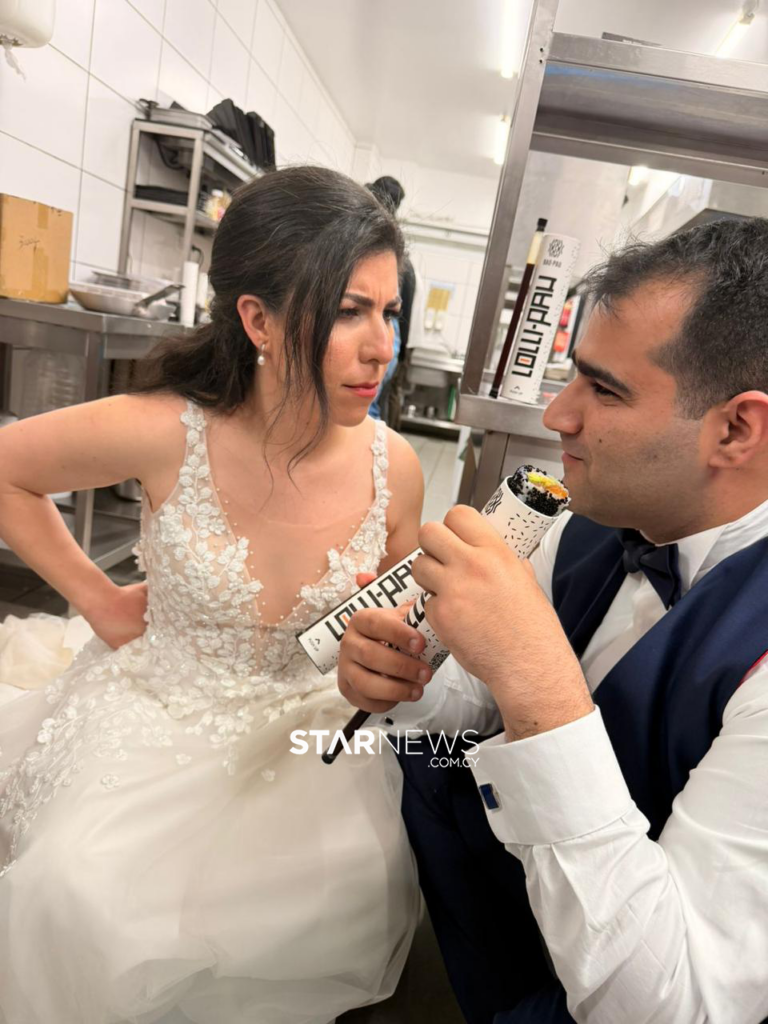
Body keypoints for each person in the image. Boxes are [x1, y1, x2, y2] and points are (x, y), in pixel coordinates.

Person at [0, 166, 424, 1024]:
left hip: (307, 745)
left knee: (350, 885)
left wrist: (390, 655)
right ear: (258, 320)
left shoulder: (396, 467)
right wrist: (97, 599)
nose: (382, 346)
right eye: (349, 312)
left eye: (389, 312)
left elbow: (400, 612)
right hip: (157, 718)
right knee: (78, 890)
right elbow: (8, 470)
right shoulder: (167, 429)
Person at [338, 217, 768, 1024]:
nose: (558, 416)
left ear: (737, 429)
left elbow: (675, 1003)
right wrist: (409, 677)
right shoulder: (582, 520)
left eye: (604, 390)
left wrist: (539, 680)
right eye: (573, 377)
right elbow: (475, 700)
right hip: (494, 916)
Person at [366, 176, 416, 422]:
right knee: (371, 405)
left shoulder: (394, 257)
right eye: (349, 311)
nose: (382, 353)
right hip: (397, 339)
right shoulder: (396, 258)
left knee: (369, 407)